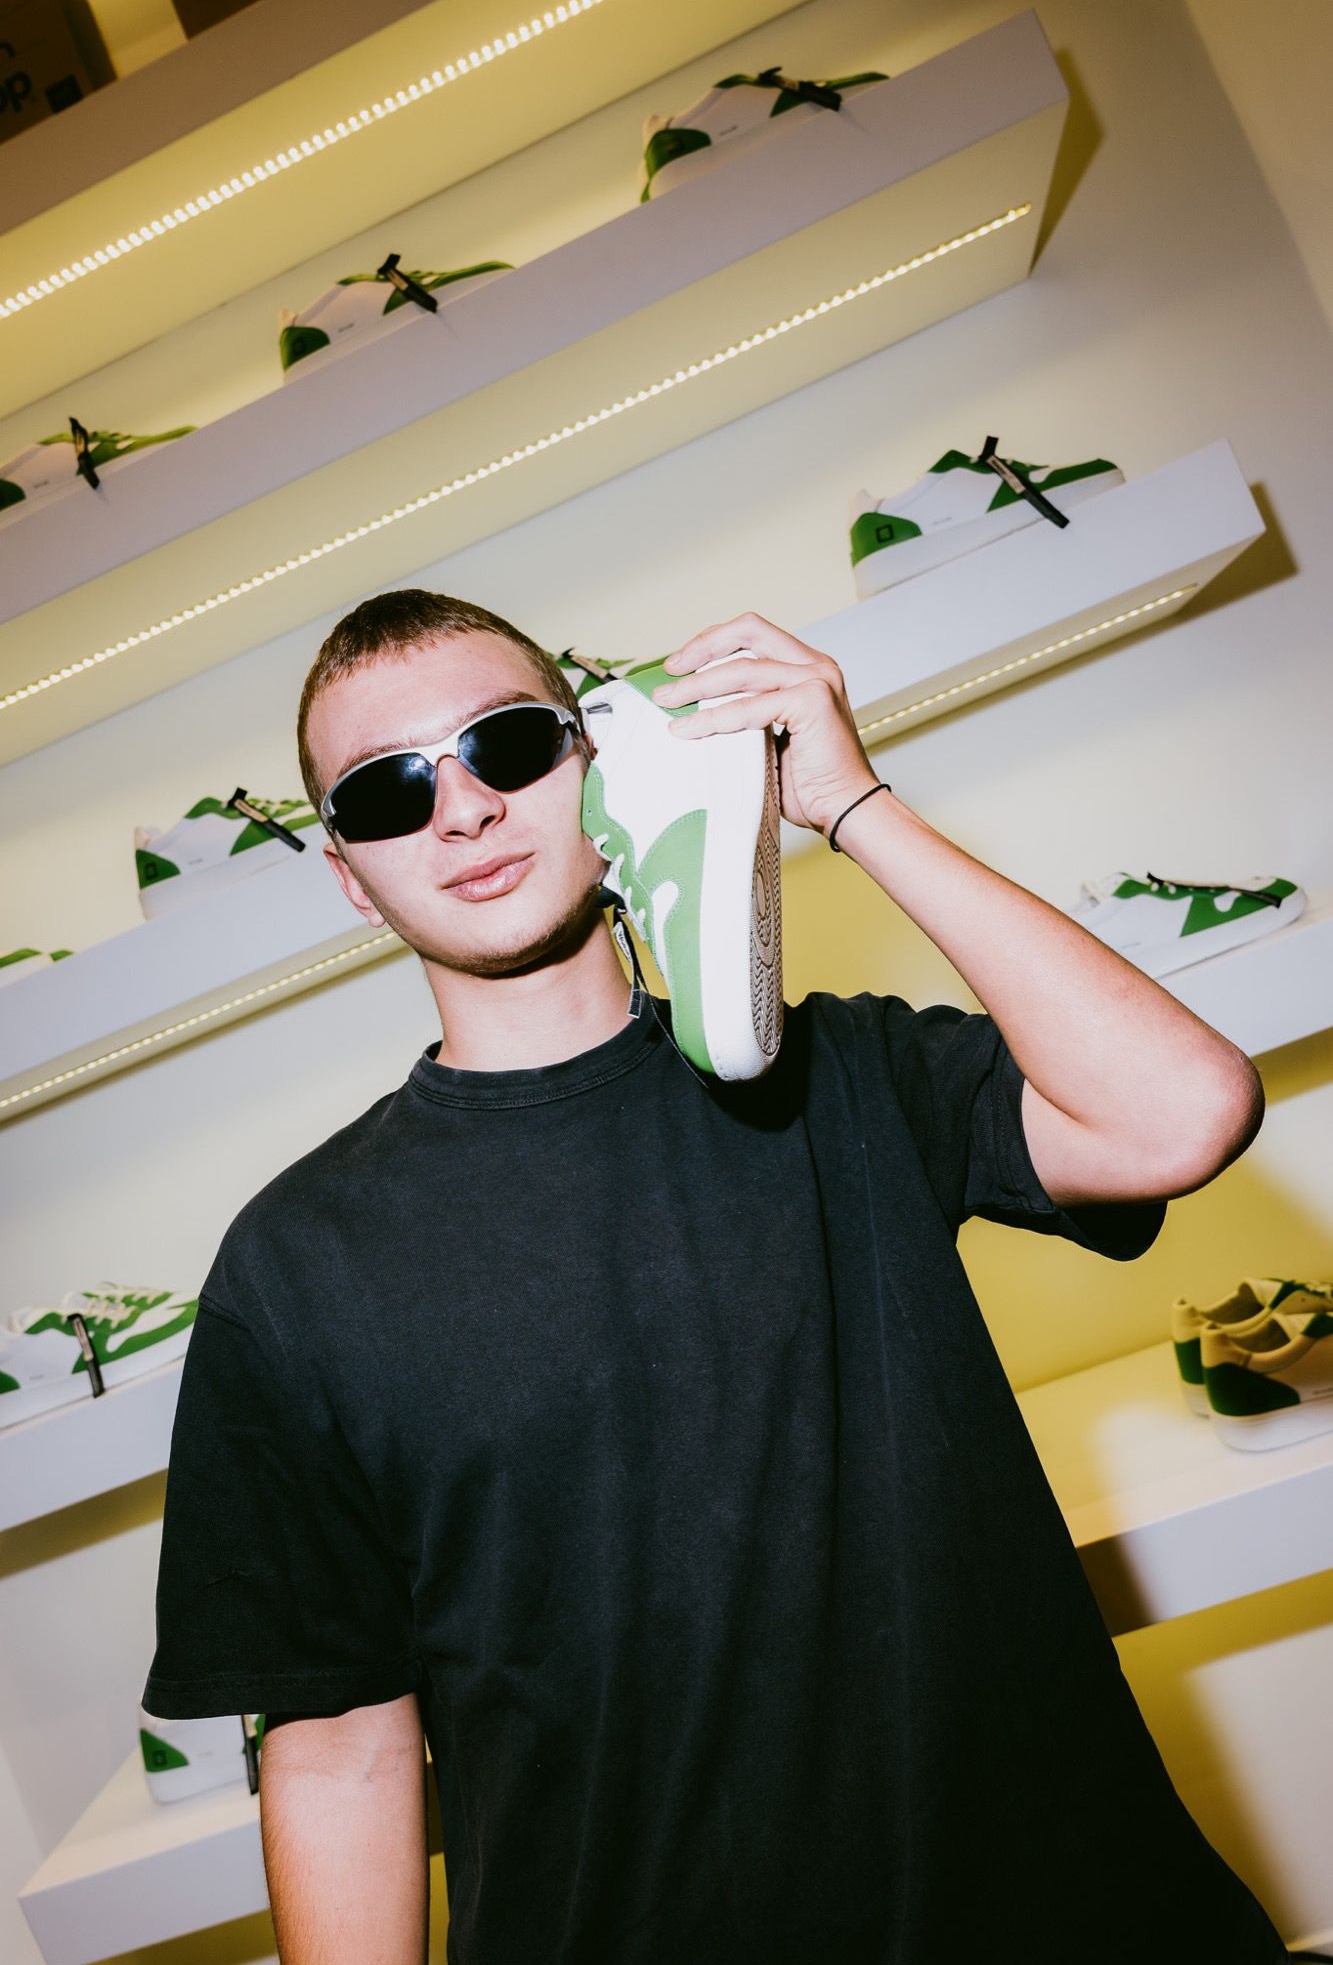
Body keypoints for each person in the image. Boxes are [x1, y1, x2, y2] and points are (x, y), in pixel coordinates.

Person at [143, 590, 1287, 1964]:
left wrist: (852, 804)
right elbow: (337, 1743)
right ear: (348, 872)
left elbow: (1181, 1115)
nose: (463, 810)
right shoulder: (294, 1265)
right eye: (389, 791)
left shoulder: (845, 1075)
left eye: (507, 745)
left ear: (598, 764)